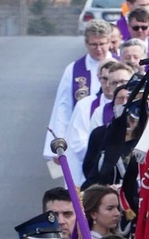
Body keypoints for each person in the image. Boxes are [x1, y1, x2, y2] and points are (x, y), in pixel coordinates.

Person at [43, 19, 112, 161]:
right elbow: (63, 107)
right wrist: (58, 143)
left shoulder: (119, 67)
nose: (98, 48)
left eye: (102, 44)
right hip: (79, 138)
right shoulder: (74, 70)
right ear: (86, 43)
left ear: (109, 42)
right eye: (94, 44)